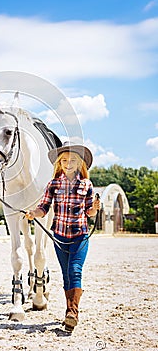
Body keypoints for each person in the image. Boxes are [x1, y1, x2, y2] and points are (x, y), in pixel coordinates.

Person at [25, 142, 100, 332]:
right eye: (65, 160)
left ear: (79, 163)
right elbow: (44, 208)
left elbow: (90, 213)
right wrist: (33, 213)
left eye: (73, 160)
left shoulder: (86, 185)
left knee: (75, 270)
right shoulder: (53, 184)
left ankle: (72, 313)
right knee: (67, 275)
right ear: (60, 162)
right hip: (59, 237)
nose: (68, 163)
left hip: (80, 235)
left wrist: (95, 208)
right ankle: (69, 313)